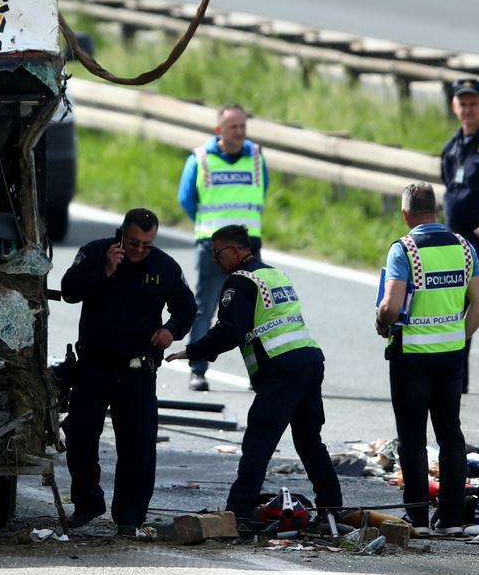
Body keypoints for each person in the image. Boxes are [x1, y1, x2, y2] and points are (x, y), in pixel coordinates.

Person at [166, 224, 342, 522]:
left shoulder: (240, 281)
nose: (214, 259)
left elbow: (229, 331)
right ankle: (331, 509)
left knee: (258, 441)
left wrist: (193, 351)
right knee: (309, 440)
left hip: (282, 367)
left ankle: (239, 512)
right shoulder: (273, 274)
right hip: (310, 361)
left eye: (217, 253)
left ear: (237, 250)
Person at [59, 208, 197, 536]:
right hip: (94, 365)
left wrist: (171, 330)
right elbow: (69, 291)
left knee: (138, 444)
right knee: (80, 434)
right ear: (121, 234)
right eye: (134, 243)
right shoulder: (95, 253)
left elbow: (186, 306)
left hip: (137, 369)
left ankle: (130, 517)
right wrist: (105, 270)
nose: (139, 250)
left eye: (146, 244)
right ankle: (87, 502)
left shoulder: (163, 265)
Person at [375, 183, 479, 535]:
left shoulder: (404, 250)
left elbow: (391, 306)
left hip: (411, 356)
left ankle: (418, 517)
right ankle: (452, 518)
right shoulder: (464, 247)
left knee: (412, 438)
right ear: (436, 211)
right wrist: (460, 335)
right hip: (450, 356)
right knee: (450, 435)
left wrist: (382, 320)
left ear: (406, 214)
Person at [178, 104, 268, 392]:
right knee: (206, 309)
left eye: (242, 126)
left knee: (254, 313)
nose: (239, 132)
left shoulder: (256, 157)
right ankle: (198, 370)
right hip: (212, 247)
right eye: (233, 127)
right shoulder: (201, 159)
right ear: (219, 130)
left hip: (248, 246)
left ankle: (258, 372)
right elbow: (186, 199)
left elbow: (262, 191)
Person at [439, 77, 479, 396]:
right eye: (462, 103)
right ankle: (457, 376)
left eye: (473, 103)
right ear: (454, 106)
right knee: (454, 307)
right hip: (454, 241)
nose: (468, 109)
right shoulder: (452, 146)